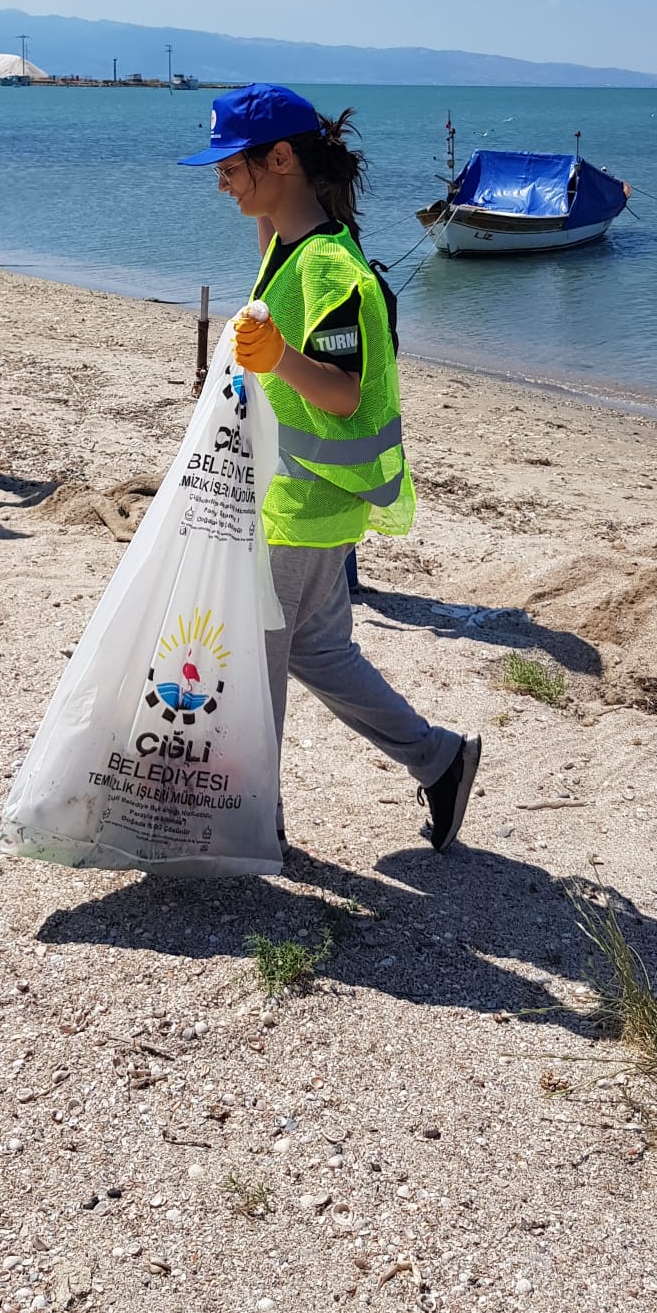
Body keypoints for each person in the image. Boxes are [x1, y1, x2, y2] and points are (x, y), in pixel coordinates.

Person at [179, 83, 481, 852]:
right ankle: (439, 760)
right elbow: (273, 280)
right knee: (315, 648)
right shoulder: (286, 243)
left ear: (281, 158)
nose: (219, 179)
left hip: (301, 506)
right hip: (309, 502)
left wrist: (278, 356)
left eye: (230, 164)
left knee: (253, 662)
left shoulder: (328, 269)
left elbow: (343, 395)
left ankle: (251, 822)